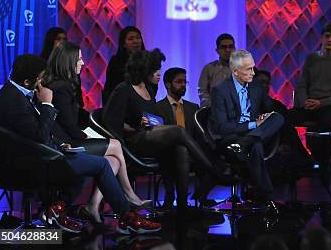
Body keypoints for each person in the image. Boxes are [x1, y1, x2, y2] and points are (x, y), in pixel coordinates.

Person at [0, 54, 160, 234]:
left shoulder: (16, 92)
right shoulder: (13, 100)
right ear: (28, 81)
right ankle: (127, 217)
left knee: (90, 159)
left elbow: (37, 133)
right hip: (29, 162)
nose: (42, 81)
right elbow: (40, 136)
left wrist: (60, 145)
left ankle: (59, 208)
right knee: (102, 164)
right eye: (40, 78)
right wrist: (47, 104)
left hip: (42, 153)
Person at [103, 49, 235, 213]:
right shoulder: (123, 88)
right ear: (144, 69)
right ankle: (215, 173)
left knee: (182, 148)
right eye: (155, 69)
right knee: (179, 132)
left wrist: (144, 121)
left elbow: (145, 117)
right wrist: (133, 127)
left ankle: (181, 205)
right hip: (134, 141)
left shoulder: (150, 89)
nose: (159, 73)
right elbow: (110, 121)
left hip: (151, 137)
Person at [43, 41, 150, 225]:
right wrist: (88, 136)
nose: (83, 63)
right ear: (67, 61)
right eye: (79, 59)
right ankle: (129, 195)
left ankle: (93, 205)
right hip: (66, 144)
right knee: (115, 145)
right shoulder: (61, 87)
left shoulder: (62, 85)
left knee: (112, 160)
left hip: (69, 139)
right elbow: (69, 125)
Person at [209, 50, 284, 207]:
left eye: (253, 67)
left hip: (251, 136)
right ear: (235, 71)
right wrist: (253, 125)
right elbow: (222, 127)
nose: (253, 72)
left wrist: (267, 115)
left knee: (278, 118)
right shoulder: (220, 91)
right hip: (232, 137)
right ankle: (264, 197)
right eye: (248, 69)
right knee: (255, 146)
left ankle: (244, 143)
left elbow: (270, 107)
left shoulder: (256, 87)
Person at [291, 23, 331, 184]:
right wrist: (305, 101)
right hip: (309, 104)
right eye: (327, 36)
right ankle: (302, 158)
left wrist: (321, 103)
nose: (329, 40)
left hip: (328, 106)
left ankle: (322, 163)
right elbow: (302, 84)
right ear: (321, 38)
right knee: (285, 118)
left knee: (326, 121)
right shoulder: (311, 59)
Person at [155, 67, 213, 209]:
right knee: (179, 150)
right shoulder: (157, 108)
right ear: (168, 84)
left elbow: (198, 134)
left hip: (192, 151)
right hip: (168, 152)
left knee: (212, 155)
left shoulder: (193, 107)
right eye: (178, 82)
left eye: (184, 82)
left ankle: (200, 194)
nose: (182, 85)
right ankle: (172, 195)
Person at [102, 26, 145, 105]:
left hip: (144, 104)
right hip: (120, 104)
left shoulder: (148, 60)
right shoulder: (116, 61)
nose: (135, 41)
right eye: (130, 39)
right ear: (124, 44)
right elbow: (109, 87)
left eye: (138, 38)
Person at [198, 33, 235, 107]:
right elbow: (202, 91)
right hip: (214, 111)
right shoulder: (209, 68)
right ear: (217, 50)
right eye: (224, 47)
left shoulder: (242, 69)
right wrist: (210, 106)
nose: (228, 50)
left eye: (230, 47)